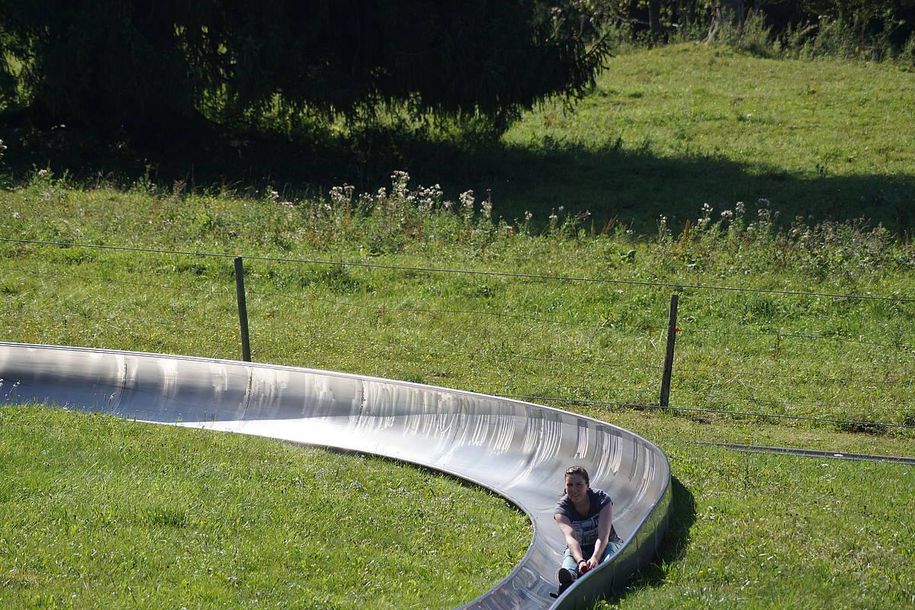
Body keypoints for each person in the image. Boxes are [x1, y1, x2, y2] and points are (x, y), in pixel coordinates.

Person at [553, 465, 623, 594]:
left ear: (587, 485)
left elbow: (603, 534)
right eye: (570, 485)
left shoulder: (602, 499)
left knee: (610, 550)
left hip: (607, 543)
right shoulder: (562, 509)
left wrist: (595, 557)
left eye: (578, 484)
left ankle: (605, 569)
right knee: (570, 555)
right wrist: (580, 561)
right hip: (581, 549)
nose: (574, 489)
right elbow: (571, 538)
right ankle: (569, 575)